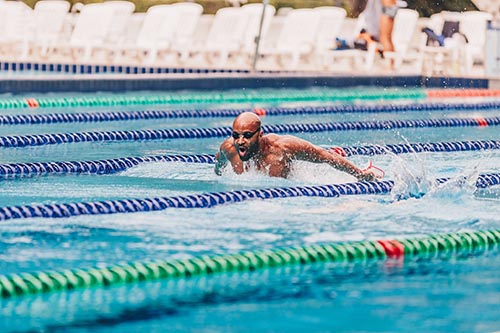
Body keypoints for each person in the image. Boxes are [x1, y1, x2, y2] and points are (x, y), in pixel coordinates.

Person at [214, 112, 381, 181]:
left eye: (247, 136)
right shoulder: (229, 148)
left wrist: (360, 174)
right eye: (236, 135)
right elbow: (219, 164)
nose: (240, 141)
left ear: (260, 134)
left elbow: (325, 156)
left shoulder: (282, 148)